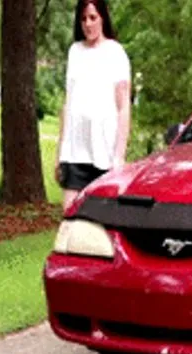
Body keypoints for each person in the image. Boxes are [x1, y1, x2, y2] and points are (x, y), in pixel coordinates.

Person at [55, 0, 131, 210]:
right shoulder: (75, 52)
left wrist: (119, 156)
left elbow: (124, 106)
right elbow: (67, 103)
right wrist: (60, 153)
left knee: (100, 226)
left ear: (102, 18)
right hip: (74, 154)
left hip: (104, 155)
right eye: (83, 19)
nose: (88, 24)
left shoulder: (115, 53)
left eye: (92, 18)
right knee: (70, 220)